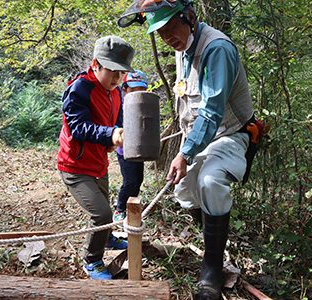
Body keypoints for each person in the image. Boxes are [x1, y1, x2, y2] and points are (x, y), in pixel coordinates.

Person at [119, 1, 258, 299]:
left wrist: (185, 153)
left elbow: (211, 112)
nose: (168, 38)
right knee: (183, 190)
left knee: (210, 182)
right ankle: (213, 238)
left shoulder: (217, 49)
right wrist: (185, 150)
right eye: (161, 33)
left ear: (190, 17)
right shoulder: (183, 48)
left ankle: (211, 267)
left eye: (171, 29)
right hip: (197, 137)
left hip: (230, 134)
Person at [57, 35, 135, 280]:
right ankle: (91, 259)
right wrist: (110, 135)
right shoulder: (79, 88)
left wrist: (119, 134)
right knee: (100, 214)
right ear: (95, 65)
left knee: (106, 210)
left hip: (99, 163)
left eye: (121, 73)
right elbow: (78, 127)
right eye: (112, 71)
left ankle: (107, 238)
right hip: (75, 166)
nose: (116, 78)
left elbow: (119, 120)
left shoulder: (115, 93)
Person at [113, 70, 148, 226]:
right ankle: (119, 209)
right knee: (129, 181)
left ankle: (131, 207)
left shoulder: (144, 104)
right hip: (124, 149)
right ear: (124, 89)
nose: (136, 94)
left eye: (140, 90)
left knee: (138, 179)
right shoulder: (119, 105)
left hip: (139, 148)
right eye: (132, 90)